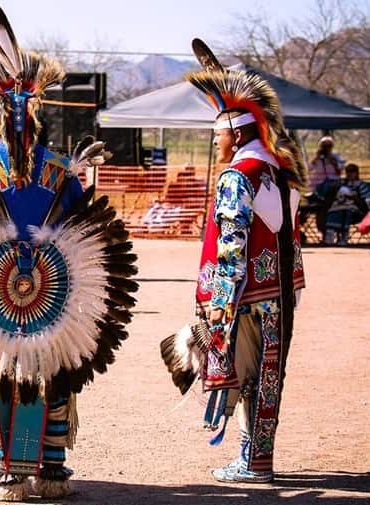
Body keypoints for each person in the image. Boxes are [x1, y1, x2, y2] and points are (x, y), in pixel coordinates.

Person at [0, 7, 137, 501]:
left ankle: (11, 472)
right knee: (53, 367)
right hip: (53, 292)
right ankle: (52, 471)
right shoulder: (59, 170)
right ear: (38, 117)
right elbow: (86, 221)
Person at [186, 40, 306, 483]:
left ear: (236, 135)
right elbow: (290, 235)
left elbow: (231, 246)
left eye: (217, 135)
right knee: (269, 376)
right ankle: (259, 460)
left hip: (247, 297)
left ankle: (252, 463)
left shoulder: (238, 176)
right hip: (280, 292)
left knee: (246, 377)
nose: (215, 143)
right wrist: (293, 286)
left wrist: (220, 303)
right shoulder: (279, 169)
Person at [324, 163, 370, 245]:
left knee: (346, 212)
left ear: (357, 173)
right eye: (348, 171)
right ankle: (330, 235)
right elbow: (331, 194)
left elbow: (365, 201)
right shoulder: (342, 183)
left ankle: (344, 237)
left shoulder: (362, 185)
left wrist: (354, 197)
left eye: (352, 171)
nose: (350, 173)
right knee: (332, 211)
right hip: (338, 206)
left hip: (355, 209)